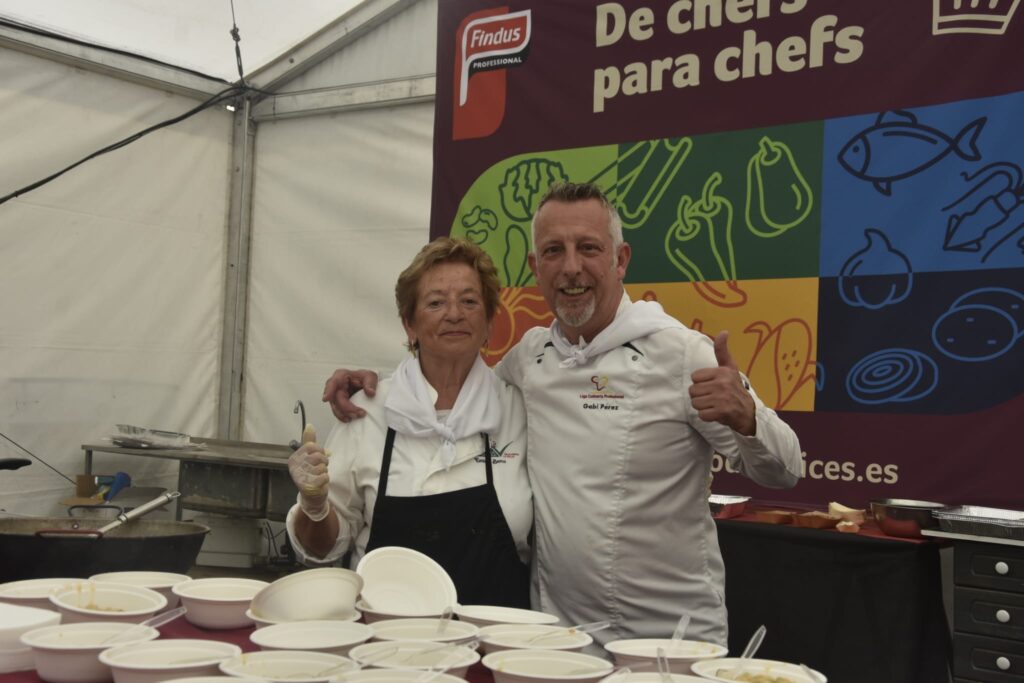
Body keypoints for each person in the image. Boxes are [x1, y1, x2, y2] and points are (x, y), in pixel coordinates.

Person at [323, 182, 802, 648]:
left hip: (671, 636)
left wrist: (749, 420)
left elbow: (786, 470)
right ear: (536, 267)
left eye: (588, 248)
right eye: (554, 251)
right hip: (560, 640)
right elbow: (453, 378)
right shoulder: (529, 360)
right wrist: (377, 385)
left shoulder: (682, 354)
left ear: (620, 259)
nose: (571, 268)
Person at [287, 237, 531, 608]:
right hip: (385, 635)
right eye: (436, 303)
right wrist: (315, 507)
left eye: (469, 301)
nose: (454, 314)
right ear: (409, 325)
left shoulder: (520, 409)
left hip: (495, 635)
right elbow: (319, 550)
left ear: (488, 323)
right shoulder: (368, 412)